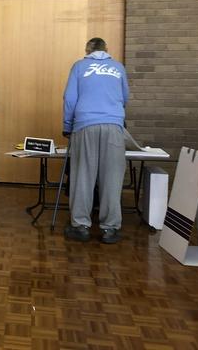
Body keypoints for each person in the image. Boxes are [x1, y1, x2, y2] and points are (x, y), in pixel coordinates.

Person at [62, 37, 129, 244]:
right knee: (112, 178)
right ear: (106, 50)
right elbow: (125, 97)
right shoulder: (118, 67)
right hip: (114, 126)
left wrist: (67, 126)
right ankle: (110, 229)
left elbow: (70, 98)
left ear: (87, 50)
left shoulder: (80, 66)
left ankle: (81, 226)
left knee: (83, 176)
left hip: (85, 125)